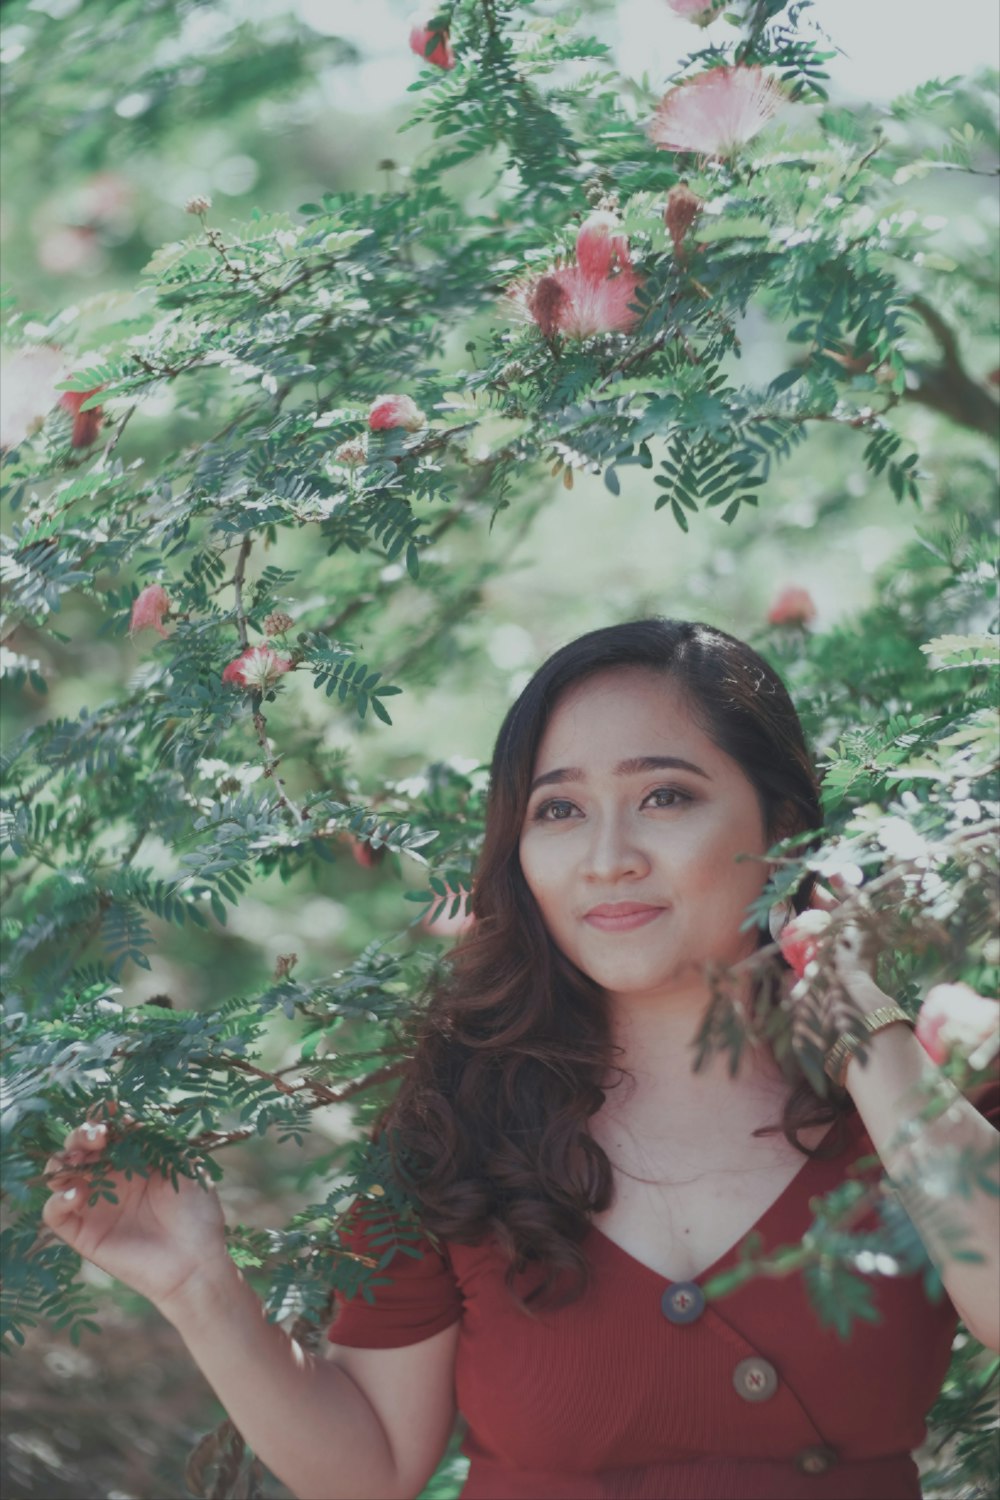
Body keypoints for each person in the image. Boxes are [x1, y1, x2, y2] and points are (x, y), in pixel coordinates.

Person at [43, 619, 1000, 1500]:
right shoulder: (455, 1119)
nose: (608, 856)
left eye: (666, 796)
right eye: (559, 811)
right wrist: (198, 1287)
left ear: (783, 825)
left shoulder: (923, 1091)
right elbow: (371, 1466)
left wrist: (866, 1033)